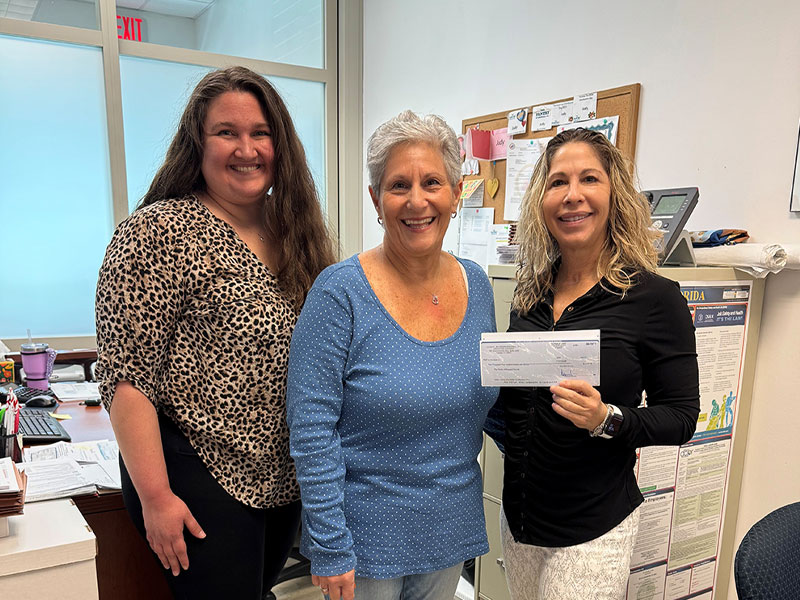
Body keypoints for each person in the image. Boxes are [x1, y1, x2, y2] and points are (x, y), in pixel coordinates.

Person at [95, 66, 336, 599]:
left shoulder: (295, 232)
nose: (246, 149)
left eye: (260, 133)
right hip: (195, 474)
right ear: (197, 144)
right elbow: (126, 378)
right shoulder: (159, 232)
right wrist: (155, 497)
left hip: (280, 480)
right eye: (226, 132)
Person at [286, 110, 502, 600]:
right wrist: (330, 545)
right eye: (399, 185)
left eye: (432, 183)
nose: (417, 201)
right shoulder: (340, 293)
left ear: (456, 193)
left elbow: (490, 399)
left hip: (449, 530)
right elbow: (311, 429)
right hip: (365, 542)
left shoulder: (478, 286)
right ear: (376, 200)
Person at [499, 128, 700, 599]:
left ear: (614, 195)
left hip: (592, 530)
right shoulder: (530, 292)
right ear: (541, 200)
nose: (572, 195)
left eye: (589, 179)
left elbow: (682, 417)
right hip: (521, 520)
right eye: (558, 182)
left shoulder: (653, 298)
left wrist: (605, 419)